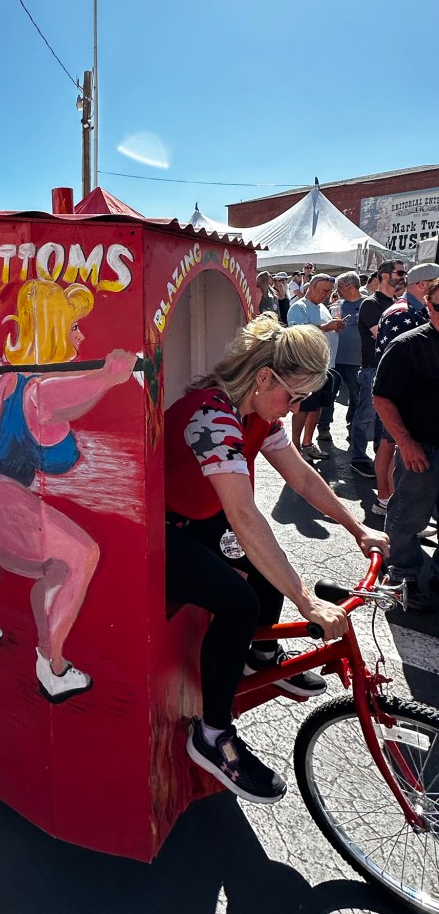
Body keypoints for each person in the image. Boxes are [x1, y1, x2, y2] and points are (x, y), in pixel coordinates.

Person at [165, 312, 388, 804]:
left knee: (267, 574)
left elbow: (302, 477)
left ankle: (260, 658)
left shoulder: (257, 412)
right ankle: (212, 735)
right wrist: (307, 601)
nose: (293, 408)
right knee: (240, 601)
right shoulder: (212, 417)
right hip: (162, 531)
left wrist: (357, 528)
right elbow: (243, 514)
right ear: (264, 377)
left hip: (201, 520)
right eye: (293, 395)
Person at [0, 278, 137, 702]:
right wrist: (109, 375)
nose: (82, 335)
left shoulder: (8, 379)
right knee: (77, 557)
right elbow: (68, 392)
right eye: (74, 326)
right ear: (57, 328)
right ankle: (52, 666)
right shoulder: (44, 388)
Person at [374, 276, 439, 612]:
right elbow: (382, 398)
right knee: (407, 516)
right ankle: (402, 573)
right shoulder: (407, 345)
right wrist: (406, 443)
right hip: (422, 447)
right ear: (429, 306)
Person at [349, 260, 407, 478]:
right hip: (373, 368)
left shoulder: (398, 303)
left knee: (384, 420)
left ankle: (379, 458)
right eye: (399, 272)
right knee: (365, 416)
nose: (403, 277)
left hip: (390, 369)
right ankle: (358, 458)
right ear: (385, 276)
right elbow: (381, 334)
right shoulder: (371, 304)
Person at [287, 274, 345, 460]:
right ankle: (295, 447)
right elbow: (298, 334)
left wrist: (335, 327)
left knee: (317, 407)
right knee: (303, 408)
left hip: (325, 366)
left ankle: (307, 444)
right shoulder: (299, 307)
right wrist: (326, 328)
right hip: (307, 367)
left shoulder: (322, 308)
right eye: (324, 290)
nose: (327, 295)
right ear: (311, 287)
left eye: (329, 291)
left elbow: (324, 328)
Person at [317, 272, 362, 442]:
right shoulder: (335, 306)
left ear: (350, 286)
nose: (337, 290)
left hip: (355, 360)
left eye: (340, 287)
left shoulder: (366, 305)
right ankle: (324, 428)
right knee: (328, 395)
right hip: (334, 359)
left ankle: (353, 427)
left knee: (356, 396)